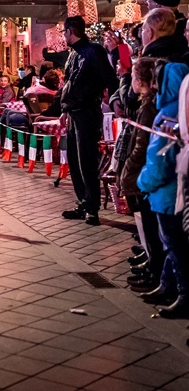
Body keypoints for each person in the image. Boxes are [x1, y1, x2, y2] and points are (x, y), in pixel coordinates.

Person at [136, 60, 189, 318]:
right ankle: (167, 286)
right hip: (175, 192)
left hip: (166, 193)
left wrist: (143, 181)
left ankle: (183, 294)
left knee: (174, 245)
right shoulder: (179, 110)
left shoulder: (168, 113)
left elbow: (159, 158)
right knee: (173, 245)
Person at [59, 15, 118, 226]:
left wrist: (113, 99)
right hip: (73, 113)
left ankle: (92, 208)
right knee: (74, 160)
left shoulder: (93, 51)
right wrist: (64, 109)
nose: (63, 36)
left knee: (86, 160)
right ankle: (84, 202)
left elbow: (110, 78)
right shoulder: (73, 54)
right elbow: (69, 84)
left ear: (70, 32)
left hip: (87, 112)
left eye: (64, 32)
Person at [118, 57, 166, 296]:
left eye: (134, 77)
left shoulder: (149, 108)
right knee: (147, 223)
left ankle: (155, 269)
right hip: (144, 172)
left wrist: (129, 168)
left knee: (151, 224)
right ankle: (152, 265)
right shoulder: (146, 104)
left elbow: (142, 144)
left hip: (144, 173)